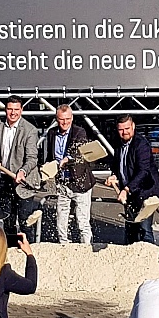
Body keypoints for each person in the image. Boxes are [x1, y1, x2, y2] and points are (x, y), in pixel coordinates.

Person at [106, 114, 159, 245]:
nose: (124, 132)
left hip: (146, 191)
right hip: (131, 194)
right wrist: (114, 176)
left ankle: (148, 259)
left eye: (127, 128)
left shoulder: (141, 145)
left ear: (133, 126)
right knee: (130, 229)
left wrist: (126, 189)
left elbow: (143, 171)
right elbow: (118, 164)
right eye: (121, 129)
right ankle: (131, 260)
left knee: (144, 230)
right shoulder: (117, 143)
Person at [0, 95, 42, 243]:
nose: (13, 113)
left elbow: (32, 158)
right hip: (4, 178)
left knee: (25, 221)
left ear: (21, 110)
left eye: (16, 110)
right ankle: (11, 252)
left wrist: (22, 171)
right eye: (10, 109)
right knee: (8, 220)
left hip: (23, 181)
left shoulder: (29, 130)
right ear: (5, 109)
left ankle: (30, 253)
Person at [44, 104, 95, 248]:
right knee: (61, 219)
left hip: (80, 182)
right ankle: (64, 247)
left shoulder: (80, 132)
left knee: (83, 220)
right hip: (62, 182)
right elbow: (50, 155)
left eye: (67, 119)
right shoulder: (52, 133)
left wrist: (68, 159)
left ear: (72, 118)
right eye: (61, 119)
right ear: (56, 119)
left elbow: (79, 151)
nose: (65, 122)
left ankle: (86, 250)